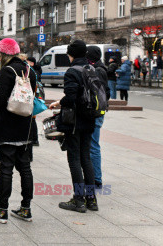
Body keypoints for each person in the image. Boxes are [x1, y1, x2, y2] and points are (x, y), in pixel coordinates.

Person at [0, 38, 36, 224]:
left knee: (6, 168)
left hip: (8, 127)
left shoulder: (7, 70)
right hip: (27, 126)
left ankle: (2, 210)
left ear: (3, 54)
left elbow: (2, 100)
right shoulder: (29, 69)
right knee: (25, 168)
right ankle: (25, 209)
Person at [49, 40, 97, 213]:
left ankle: (78, 200)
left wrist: (58, 102)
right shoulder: (92, 69)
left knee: (74, 159)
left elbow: (70, 97)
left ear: (71, 54)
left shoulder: (72, 71)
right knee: (86, 158)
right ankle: (91, 200)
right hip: (90, 120)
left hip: (75, 122)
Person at [86, 46, 110, 189]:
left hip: (96, 113)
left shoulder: (98, 71)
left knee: (93, 146)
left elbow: (99, 93)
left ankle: (96, 178)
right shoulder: (100, 68)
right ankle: (94, 176)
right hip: (98, 112)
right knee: (92, 145)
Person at [26, 56, 42, 148]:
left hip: (34, 97)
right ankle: (34, 139)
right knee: (32, 119)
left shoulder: (33, 72)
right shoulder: (35, 71)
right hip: (35, 96)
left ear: (31, 63)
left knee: (32, 119)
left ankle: (34, 139)